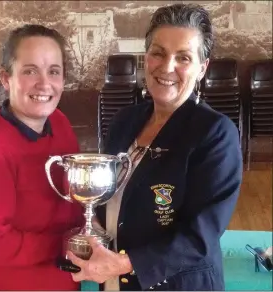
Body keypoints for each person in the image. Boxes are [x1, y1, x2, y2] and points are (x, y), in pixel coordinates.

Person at [66, 4, 243, 291]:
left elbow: (201, 235)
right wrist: (93, 230)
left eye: (183, 57)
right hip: (113, 282)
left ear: (202, 68)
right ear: (145, 58)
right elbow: (110, 198)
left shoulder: (215, 133)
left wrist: (124, 263)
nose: (167, 66)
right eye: (158, 52)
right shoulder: (124, 121)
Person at [0, 24, 84, 291]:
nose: (44, 83)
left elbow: (70, 199)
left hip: (64, 282)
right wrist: (64, 244)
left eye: (54, 71)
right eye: (30, 71)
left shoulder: (59, 123)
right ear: (6, 78)